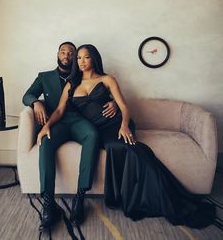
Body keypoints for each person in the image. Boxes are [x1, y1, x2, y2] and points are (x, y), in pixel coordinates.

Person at [37, 44, 216, 228]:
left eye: (87, 57)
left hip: (115, 124)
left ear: (94, 59)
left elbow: (123, 106)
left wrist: (124, 126)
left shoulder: (107, 79)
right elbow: (59, 110)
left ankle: (161, 193)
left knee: (133, 150)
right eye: (80, 58)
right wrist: (46, 126)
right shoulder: (71, 84)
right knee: (117, 148)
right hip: (96, 129)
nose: (82, 61)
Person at [22, 41, 117, 229]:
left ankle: (79, 198)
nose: (67, 55)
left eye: (72, 53)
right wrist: (36, 103)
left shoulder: (82, 75)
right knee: (46, 141)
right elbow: (27, 95)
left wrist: (113, 102)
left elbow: (100, 91)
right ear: (57, 54)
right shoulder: (44, 77)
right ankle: (49, 205)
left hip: (79, 120)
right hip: (57, 122)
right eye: (63, 52)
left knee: (92, 135)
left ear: (77, 57)